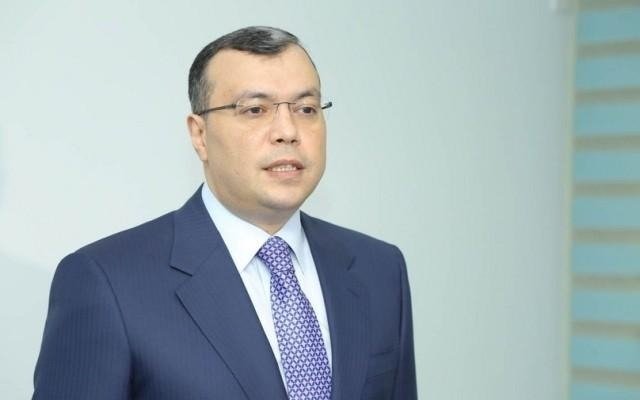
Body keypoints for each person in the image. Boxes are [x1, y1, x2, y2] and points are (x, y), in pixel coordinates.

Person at [32, 26, 416, 400]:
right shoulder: (108, 282)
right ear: (199, 135)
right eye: (255, 109)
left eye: (306, 108)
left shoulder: (379, 269)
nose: (287, 131)